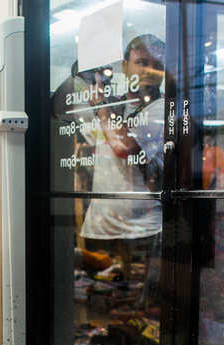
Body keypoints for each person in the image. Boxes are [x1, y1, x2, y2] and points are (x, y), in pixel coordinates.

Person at [79, 33, 166, 242]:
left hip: (143, 230)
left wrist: (100, 105)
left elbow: (124, 147)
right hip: (100, 226)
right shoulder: (112, 107)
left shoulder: (164, 108)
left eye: (158, 65)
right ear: (125, 67)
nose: (149, 70)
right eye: (142, 63)